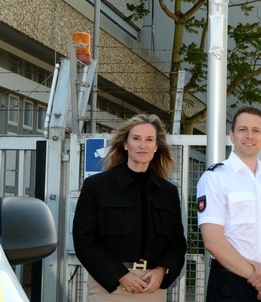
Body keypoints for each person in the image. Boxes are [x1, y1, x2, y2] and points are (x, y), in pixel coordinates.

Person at [73, 114, 187, 301]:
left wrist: (161, 271)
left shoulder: (168, 192)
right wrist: (121, 275)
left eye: (149, 140)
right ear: (125, 144)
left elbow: (176, 244)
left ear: (156, 147)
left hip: (152, 289)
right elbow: (84, 241)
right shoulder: (97, 186)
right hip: (110, 288)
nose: (143, 145)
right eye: (136, 139)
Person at [196, 106, 261, 302]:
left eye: (256, 130)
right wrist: (258, 278)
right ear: (231, 135)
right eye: (242, 129)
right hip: (229, 284)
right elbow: (212, 241)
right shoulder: (214, 178)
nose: (249, 136)